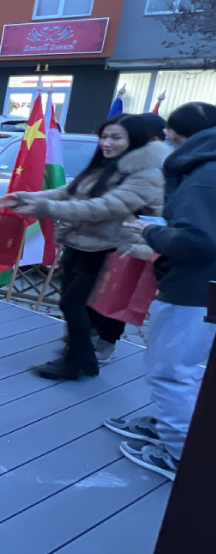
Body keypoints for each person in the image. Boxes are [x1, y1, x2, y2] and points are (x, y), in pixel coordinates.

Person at [0, 114, 168, 380]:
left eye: (116, 137)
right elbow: (69, 192)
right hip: (81, 243)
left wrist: (44, 208)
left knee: (74, 305)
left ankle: (78, 360)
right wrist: (26, 197)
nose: (107, 143)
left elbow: (103, 208)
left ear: (135, 140)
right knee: (73, 304)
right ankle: (79, 355)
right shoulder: (106, 165)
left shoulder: (146, 173)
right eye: (104, 136)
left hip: (110, 248)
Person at [104, 102, 216, 478]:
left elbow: (198, 241)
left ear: (175, 135)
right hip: (203, 288)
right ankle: (174, 425)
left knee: (172, 370)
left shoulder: (203, 174)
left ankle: (181, 454)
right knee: (186, 368)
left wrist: (151, 232)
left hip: (194, 289)